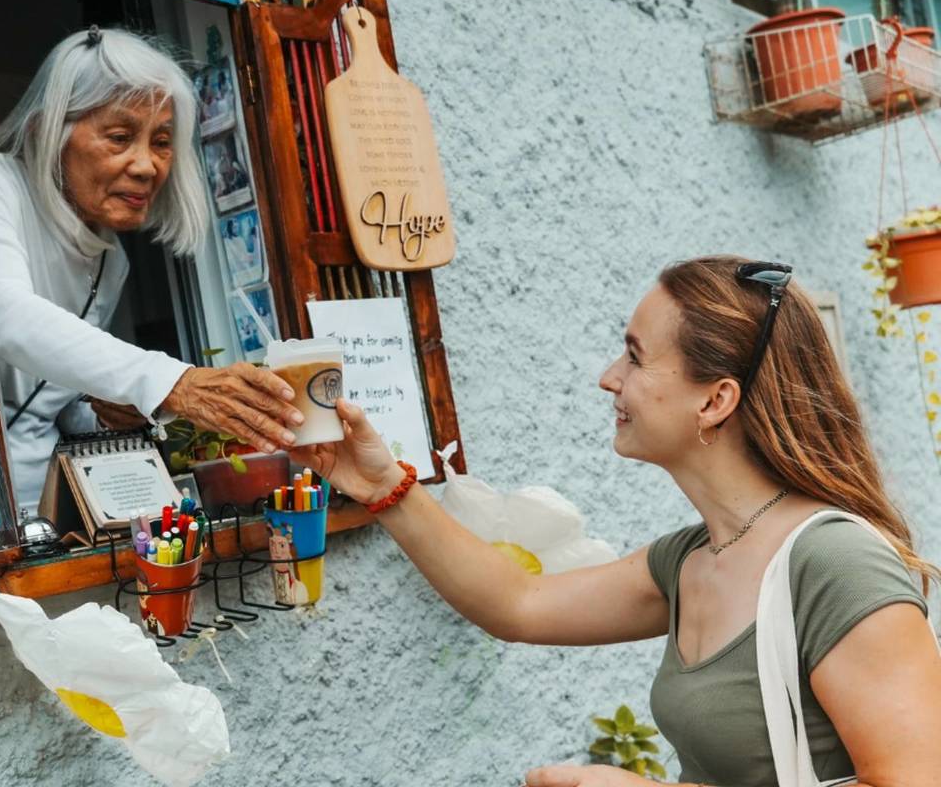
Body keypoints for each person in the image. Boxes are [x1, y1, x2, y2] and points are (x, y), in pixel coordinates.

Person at [294, 256, 941, 787]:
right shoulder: (692, 560)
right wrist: (386, 485)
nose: (609, 379)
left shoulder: (836, 567)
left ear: (715, 401)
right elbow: (519, 603)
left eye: (634, 356)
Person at [0, 27, 301, 513]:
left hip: (36, 515)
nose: (146, 165)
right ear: (45, 132)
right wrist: (170, 382)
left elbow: (43, 405)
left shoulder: (109, 257)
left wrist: (106, 414)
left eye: (161, 142)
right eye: (120, 137)